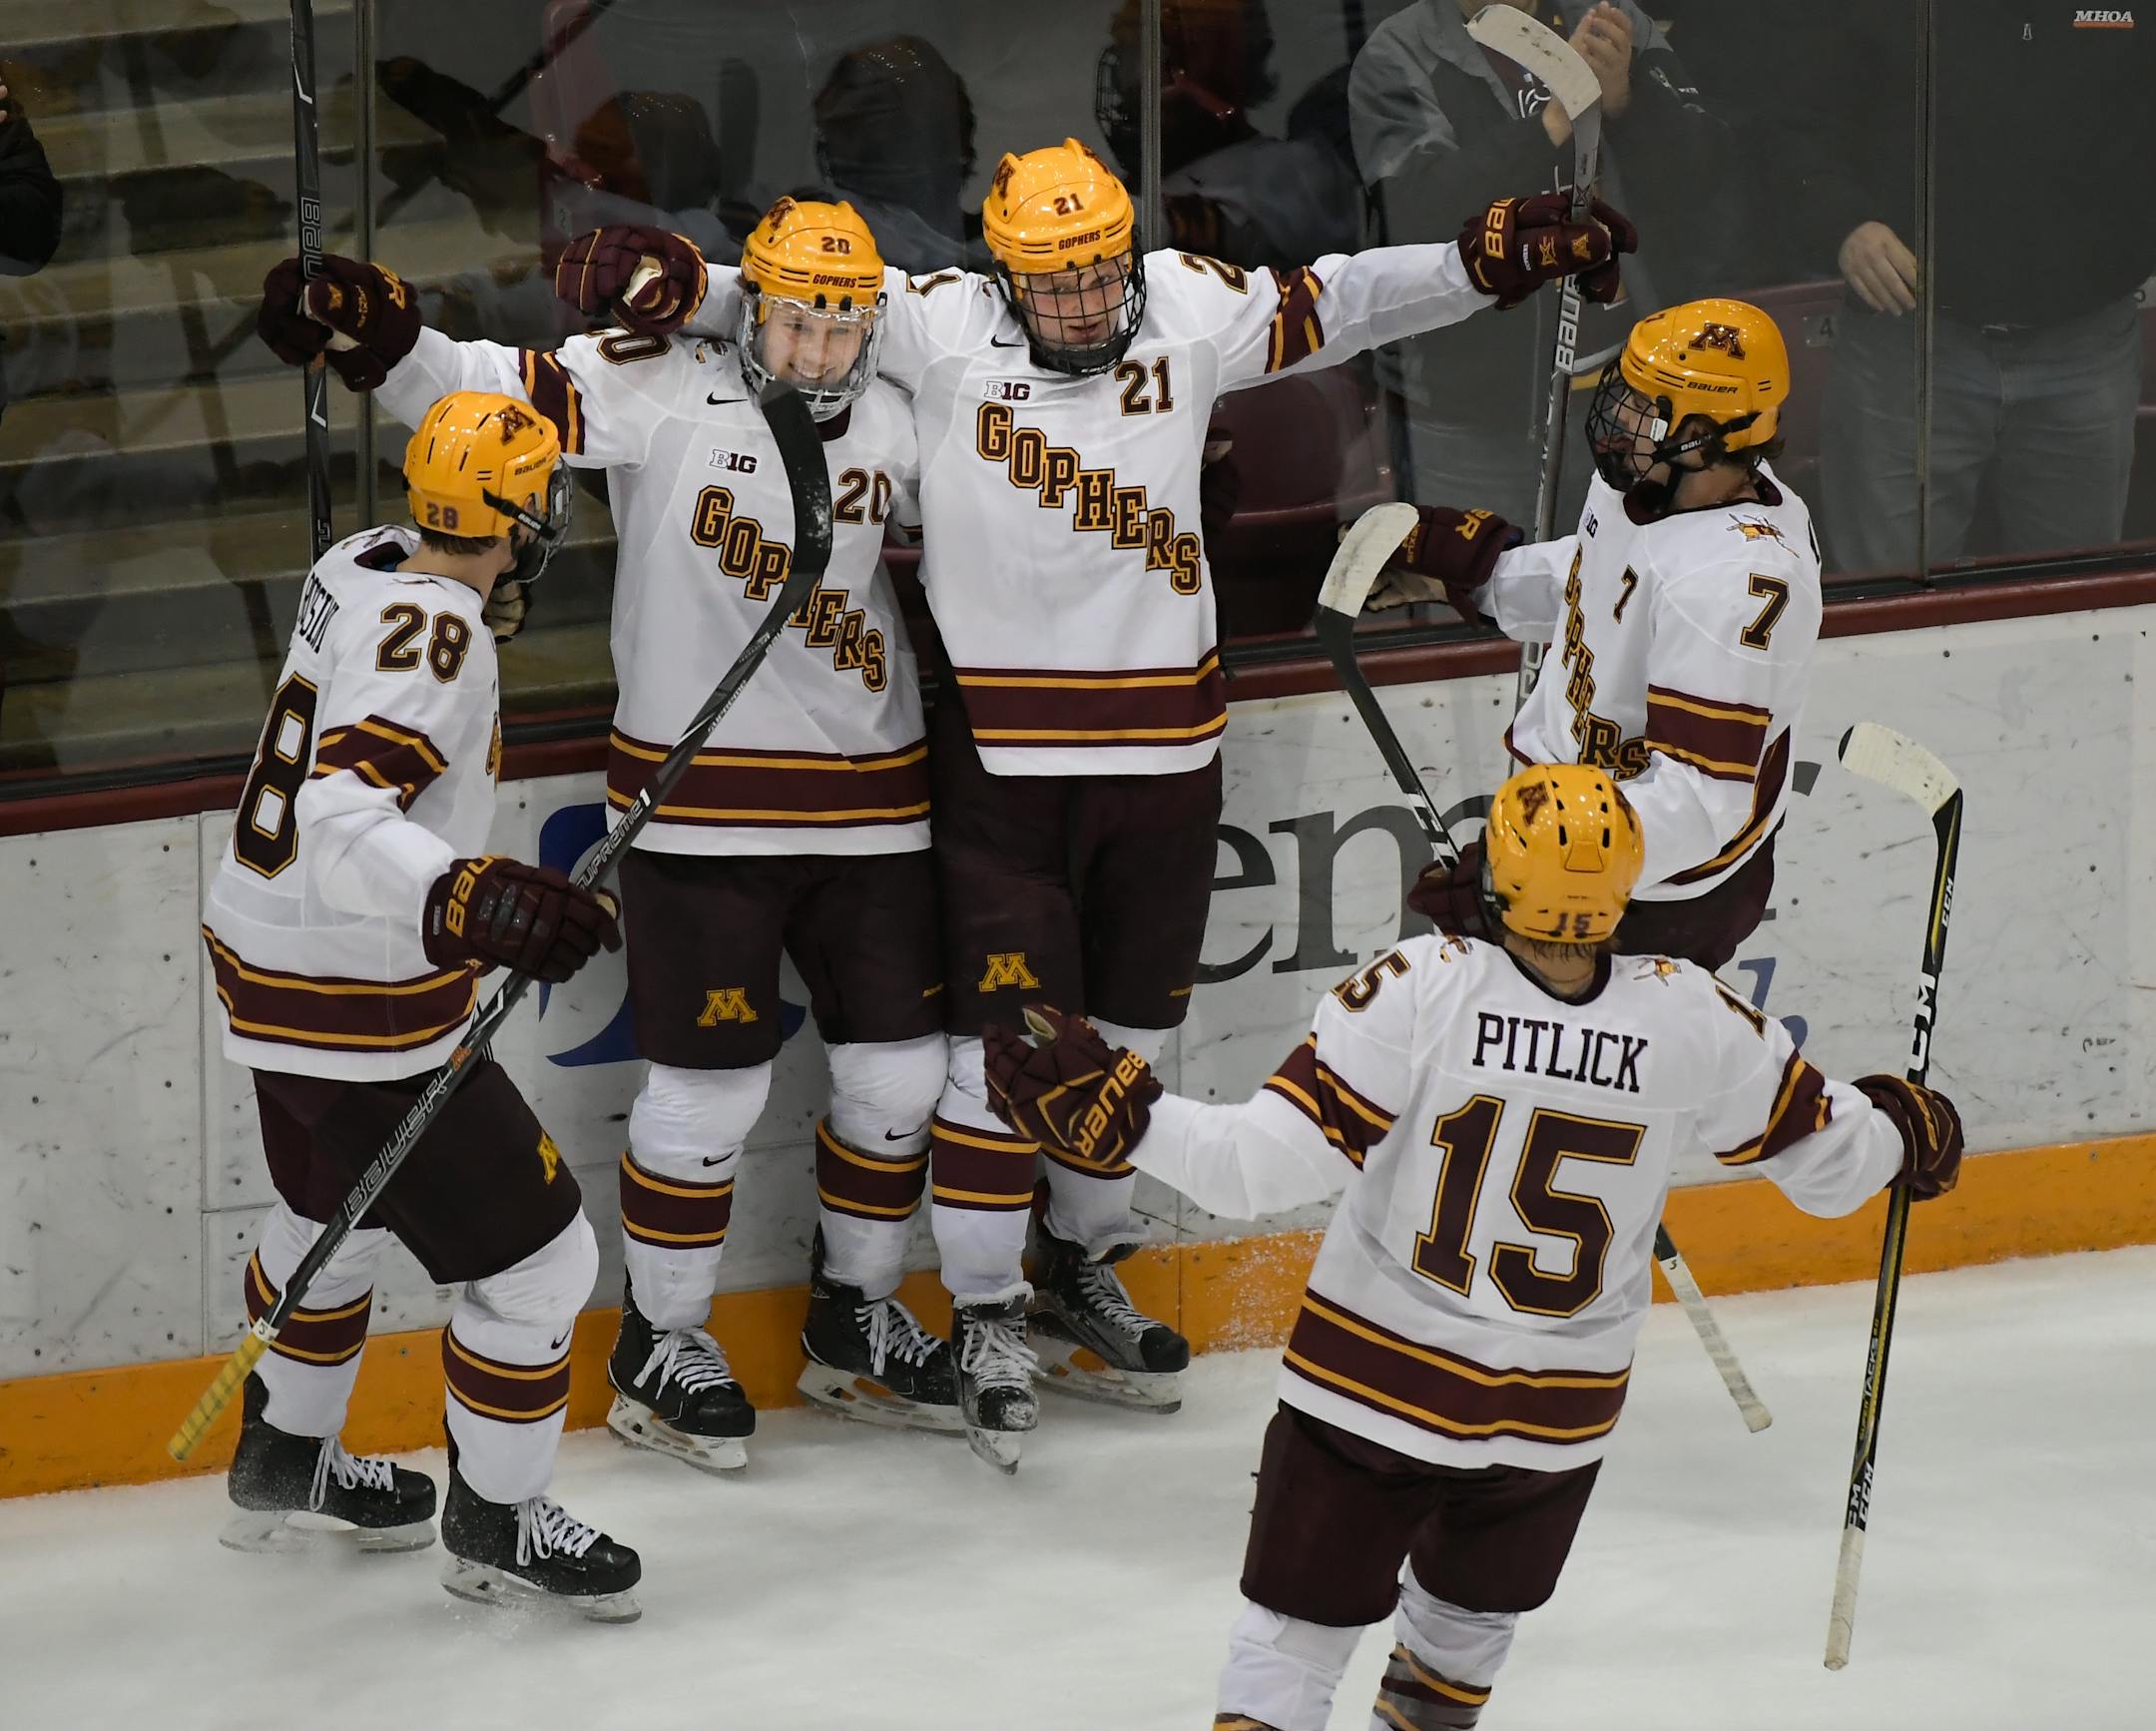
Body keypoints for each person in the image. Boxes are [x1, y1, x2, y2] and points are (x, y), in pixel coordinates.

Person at [557, 138, 1635, 1465]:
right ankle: (988, 1305)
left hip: (1168, 762)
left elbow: (1343, 296)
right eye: (1051, 283)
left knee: (1122, 1050)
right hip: (1003, 769)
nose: (1080, 303)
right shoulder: (939, 325)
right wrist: (675, 275)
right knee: (994, 1058)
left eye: (1097, 277)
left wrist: (1483, 262)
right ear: (1006, 270)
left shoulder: (1183, 302)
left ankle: (1073, 1268)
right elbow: (794, 296)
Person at [983, 763, 1963, 1730]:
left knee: (1293, 1647)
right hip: (1551, 1424)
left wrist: (1132, 1119)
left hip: (1372, 1397)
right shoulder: (1691, 1014)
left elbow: (1254, 1172)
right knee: (1453, 1657)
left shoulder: (1421, 987)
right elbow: (1840, 1172)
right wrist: (1899, 1131)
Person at [254, 200, 960, 1471]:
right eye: (791, 323)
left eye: (840, 328)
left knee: (901, 1081)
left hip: (875, 794)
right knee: (708, 1096)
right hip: (697, 801)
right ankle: (661, 1339)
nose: (815, 354)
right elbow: (485, 397)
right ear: (758, 315)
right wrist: (382, 337)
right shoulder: (662, 387)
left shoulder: (906, 403)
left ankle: (855, 1315)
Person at [199, 387, 641, 1619]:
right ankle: (496, 1525)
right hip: (357, 997)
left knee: (320, 1210)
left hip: (264, 958)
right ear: (514, 514)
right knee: (547, 1265)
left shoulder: (355, 560)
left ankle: (284, 1457)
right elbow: (344, 816)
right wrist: (466, 897)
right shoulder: (440, 639)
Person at [1378, 297, 1817, 972]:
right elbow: (1604, 586)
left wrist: (1536, 867)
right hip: (1578, 827)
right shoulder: (1653, 480)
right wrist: (1476, 579)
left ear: (1701, 437)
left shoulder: (1736, 582)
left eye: (1644, 405)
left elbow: (1703, 802)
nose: (1617, 416)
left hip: (1650, 896)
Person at [1776, 2, 2156, 570]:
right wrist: (1844, 223)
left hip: (2087, 348)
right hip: (1908, 347)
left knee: (2076, 605)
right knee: (1889, 606)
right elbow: (1794, 123)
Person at [1349, 0, 1728, 525]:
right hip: (1477, 414)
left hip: (1634, 397)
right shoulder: (1400, 52)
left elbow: (1709, 177)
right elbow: (1416, 215)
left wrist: (1628, 107)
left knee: (1625, 594)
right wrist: (1551, 121)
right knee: (1486, 594)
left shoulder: (1609, 21)